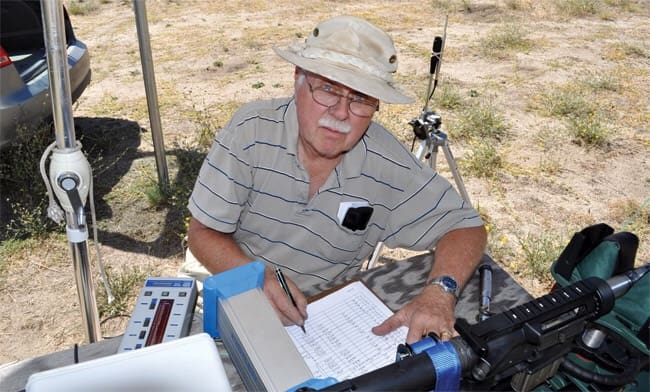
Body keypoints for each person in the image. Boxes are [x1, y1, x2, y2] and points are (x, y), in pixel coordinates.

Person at [183, 15, 487, 344]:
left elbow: (466, 228)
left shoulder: (387, 164)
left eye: (360, 99)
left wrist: (439, 293)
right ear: (298, 80)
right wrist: (256, 278)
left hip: (321, 320)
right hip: (232, 289)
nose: (341, 112)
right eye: (328, 89)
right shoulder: (250, 131)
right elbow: (202, 233)